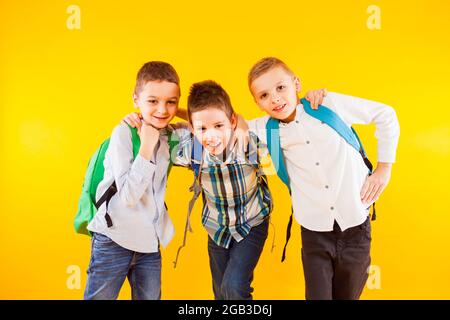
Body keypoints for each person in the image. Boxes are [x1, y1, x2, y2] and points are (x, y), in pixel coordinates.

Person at [245, 57, 400, 300]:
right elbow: (219, 122)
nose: (274, 98)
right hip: (314, 232)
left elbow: (386, 115)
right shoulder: (263, 128)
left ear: (296, 84)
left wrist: (384, 169)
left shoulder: (328, 104)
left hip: (356, 226)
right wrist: (171, 113)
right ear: (257, 103)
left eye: (280, 87)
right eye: (264, 95)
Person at [84, 61, 180, 300]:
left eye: (171, 102)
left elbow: (208, 124)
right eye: (152, 101)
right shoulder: (123, 133)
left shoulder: (171, 136)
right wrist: (147, 146)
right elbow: (128, 196)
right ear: (136, 99)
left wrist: (181, 112)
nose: (162, 109)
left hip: (149, 243)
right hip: (113, 238)